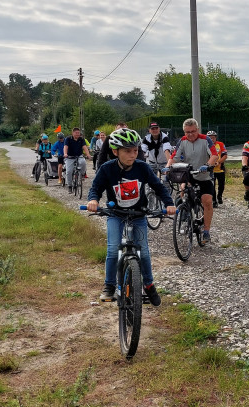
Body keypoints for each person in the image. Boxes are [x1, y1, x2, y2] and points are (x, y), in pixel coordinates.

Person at [86, 128, 176, 306]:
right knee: (113, 250)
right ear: (115, 151)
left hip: (139, 215)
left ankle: (149, 284)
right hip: (116, 215)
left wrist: (169, 204)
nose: (133, 155)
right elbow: (95, 188)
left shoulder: (142, 167)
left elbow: (158, 186)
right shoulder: (107, 169)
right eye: (127, 151)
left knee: (143, 251)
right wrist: (93, 200)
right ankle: (109, 285)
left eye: (135, 150)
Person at [168, 118, 220, 243]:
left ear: (197, 130)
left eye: (192, 131)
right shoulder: (183, 141)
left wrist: (207, 164)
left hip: (204, 175)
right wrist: (167, 167)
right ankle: (185, 213)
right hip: (188, 174)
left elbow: (214, 155)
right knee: (182, 191)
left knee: (207, 201)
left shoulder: (205, 139)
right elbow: (174, 156)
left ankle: (206, 230)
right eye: (187, 132)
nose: (190, 134)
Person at [207, 130, 227, 205]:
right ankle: (214, 200)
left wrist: (219, 162)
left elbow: (225, 155)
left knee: (221, 185)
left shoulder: (220, 144)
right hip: (211, 170)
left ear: (216, 138)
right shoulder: (206, 146)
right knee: (212, 186)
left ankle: (219, 196)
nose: (212, 139)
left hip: (220, 169)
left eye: (213, 138)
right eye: (210, 138)